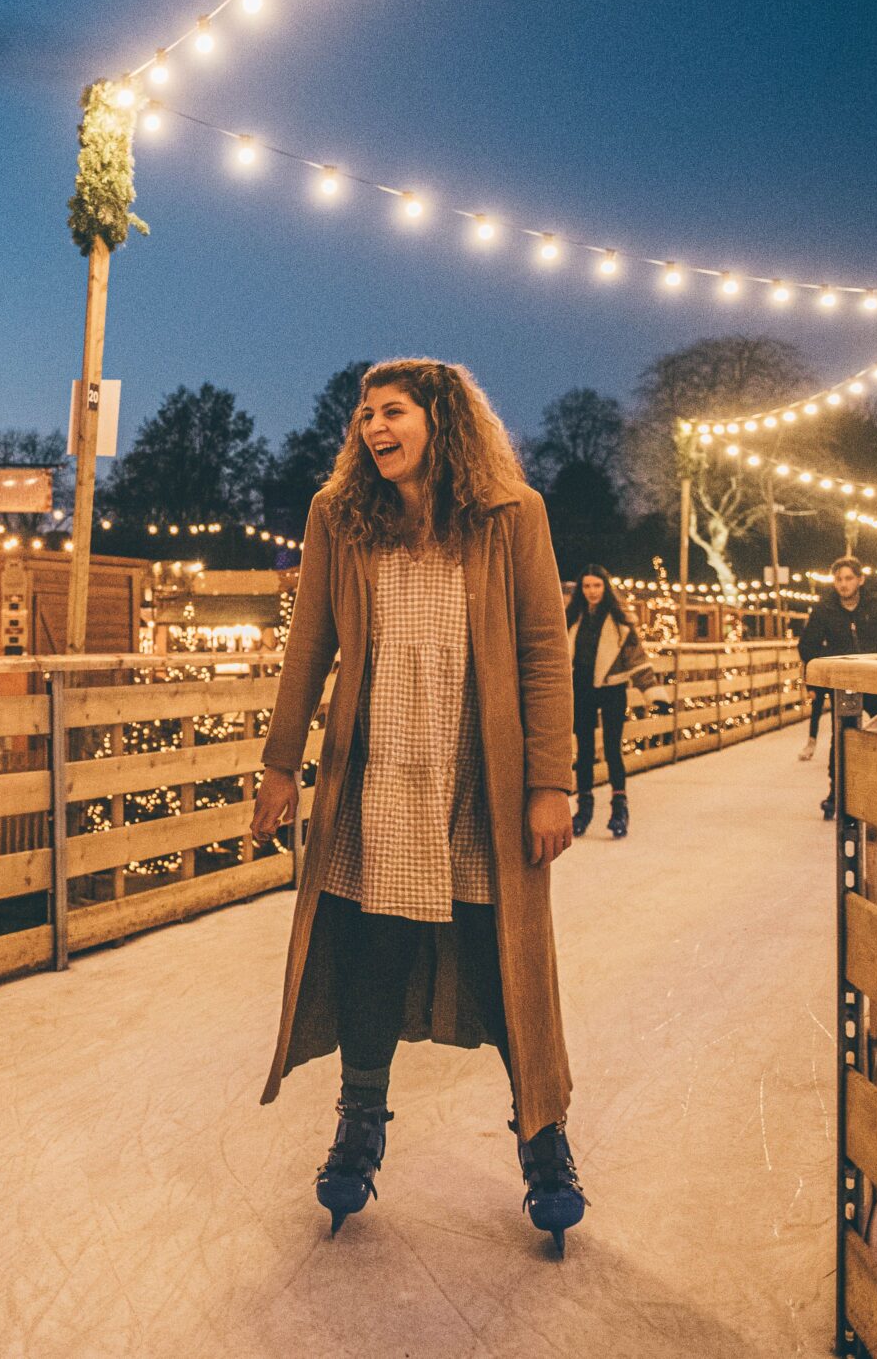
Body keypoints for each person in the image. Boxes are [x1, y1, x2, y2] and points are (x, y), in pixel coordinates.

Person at [249, 358, 585, 1254]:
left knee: (500, 958)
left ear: (442, 418)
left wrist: (552, 781)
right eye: (364, 415)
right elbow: (309, 645)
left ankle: (544, 1137)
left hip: (483, 779)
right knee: (373, 949)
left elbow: (547, 654)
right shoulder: (340, 518)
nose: (373, 429)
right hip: (379, 776)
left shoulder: (513, 517)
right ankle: (360, 1122)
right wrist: (282, 766)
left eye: (391, 411)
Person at [797, 555, 877, 814]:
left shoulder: (876, 606)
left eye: (849, 578)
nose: (843, 584)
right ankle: (837, 794)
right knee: (842, 737)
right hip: (845, 684)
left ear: (860, 580)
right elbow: (807, 646)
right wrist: (828, 669)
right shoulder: (824, 609)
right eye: (839, 579)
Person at [562, 567, 667, 840]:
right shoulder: (572, 619)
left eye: (596, 586)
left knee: (612, 749)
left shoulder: (620, 622)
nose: (591, 591)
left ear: (605, 588)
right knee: (583, 751)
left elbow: (637, 659)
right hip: (582, 688)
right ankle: (583, 809)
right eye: (586, 586)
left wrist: (653, 692)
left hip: (612, 689)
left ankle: (619, 809)